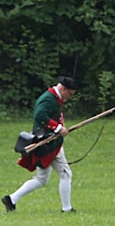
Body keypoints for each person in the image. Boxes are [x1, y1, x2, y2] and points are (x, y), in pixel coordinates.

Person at [6, 76, 81, 213]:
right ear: (63, 89)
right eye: (70, 93)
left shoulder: (54, 97)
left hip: (51, 142)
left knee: (42, 179)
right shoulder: (48, 98)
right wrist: (58, 128)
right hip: (48, 143)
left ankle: (11, 199)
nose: (70, 96)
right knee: (65, 174)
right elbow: (39, 116)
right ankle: (67, 208)